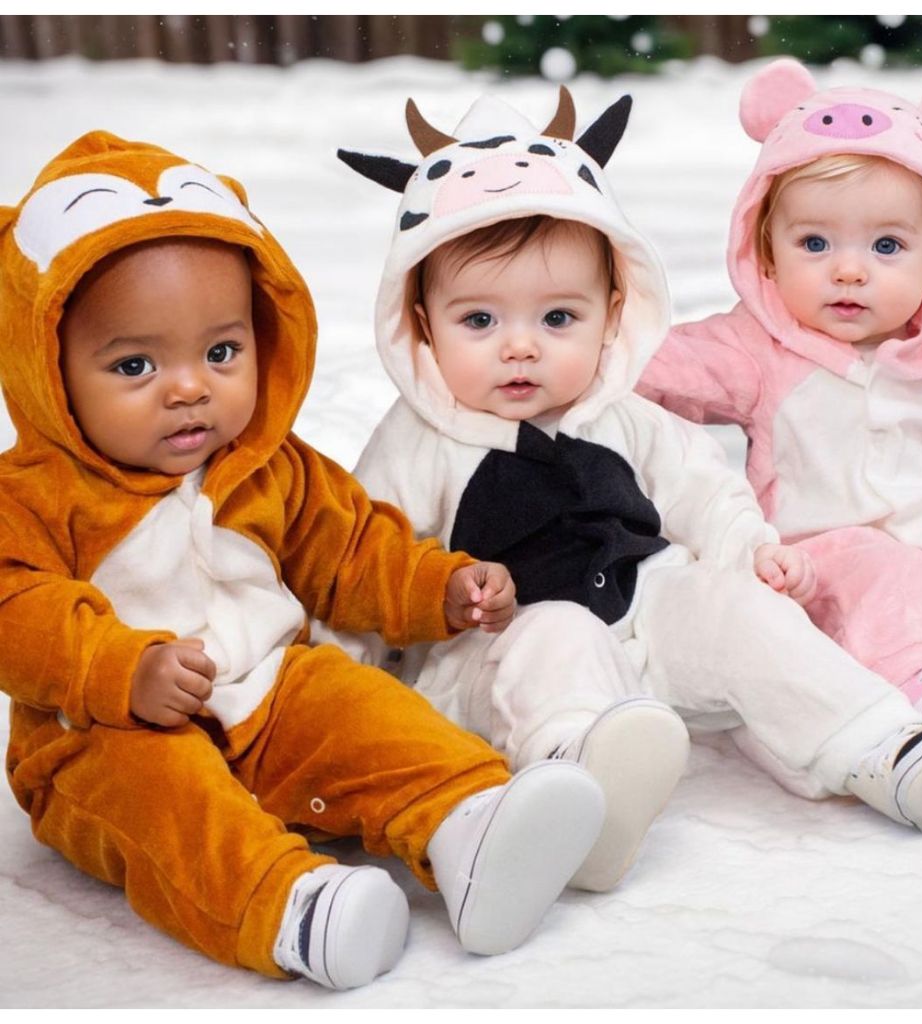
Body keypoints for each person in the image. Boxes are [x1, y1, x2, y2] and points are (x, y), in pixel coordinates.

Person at [336, 87, 922, 894]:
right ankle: (581, 798)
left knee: (732, 607)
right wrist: (348, 695)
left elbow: (703, 491)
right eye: (479, 322)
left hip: (646, 614)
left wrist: (749, 552)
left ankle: (874, 741)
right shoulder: (416, 442)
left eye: (558, 319)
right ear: (420, 322)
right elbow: (356, 566)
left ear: (613, 314)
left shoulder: (623, 413)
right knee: (558, 637)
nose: (520, 348)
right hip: (503, 654)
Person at [0, 131, 608, 991]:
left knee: (359, 704)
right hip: (102, 733)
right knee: (164, 796)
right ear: (45, 367)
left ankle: (470, 823)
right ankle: (290, 907)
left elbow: (351, 549)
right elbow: (12, 606)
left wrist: (436, 584)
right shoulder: (31, 496)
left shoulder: (268, 465)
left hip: (270, 695)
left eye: (221, 352)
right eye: (135, 364)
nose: (189, 388)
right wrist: (115, 669)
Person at [637, 58, 922, 752]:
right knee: (890, 574)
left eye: (887, 246)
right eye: (814, 243)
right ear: (767, 252)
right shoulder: (757, 348)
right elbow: (660, 367)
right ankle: (917, 694)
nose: (849, 270)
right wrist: (584, 349)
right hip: (821, 563)